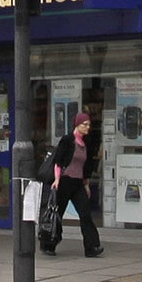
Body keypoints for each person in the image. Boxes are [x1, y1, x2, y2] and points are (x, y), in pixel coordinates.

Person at [46, 110, 104, 258]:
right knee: (57, 214)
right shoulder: (67, 140)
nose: (88, 127)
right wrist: (57, 179)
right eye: (85, 124)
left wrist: (86, 184)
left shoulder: (87, 143)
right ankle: (49, 244)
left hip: (78, 184)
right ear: (77, 125)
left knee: (85, 214)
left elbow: (86, 166)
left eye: (89, 125)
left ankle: (91, 247)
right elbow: (58, 162)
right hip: (64, 182)